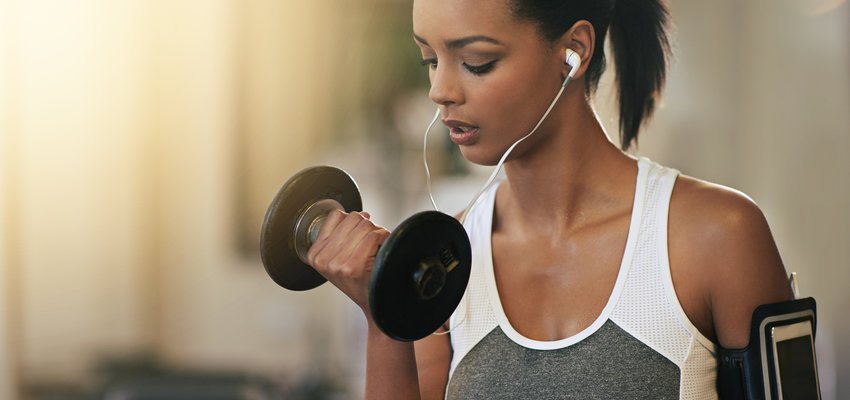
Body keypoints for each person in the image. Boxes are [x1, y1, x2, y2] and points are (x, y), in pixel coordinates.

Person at [305, 0, 793, 398]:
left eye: (477, 62)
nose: (440, 90)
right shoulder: (444, 262)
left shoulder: (717, 235)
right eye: (430, 61)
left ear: (573, 52)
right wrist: (383, 315)